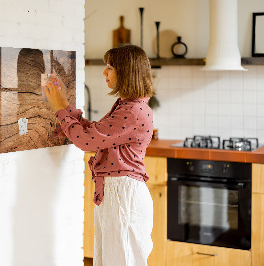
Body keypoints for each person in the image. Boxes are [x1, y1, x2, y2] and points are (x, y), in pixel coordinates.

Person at [43, 44, 155, 266]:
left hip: (123, 195)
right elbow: (94, 133)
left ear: (126, 72)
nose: (104, 72)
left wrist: (58, 108)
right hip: (118, 193)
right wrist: (65, 104)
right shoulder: (128, 106)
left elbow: (86, 141)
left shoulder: (132, 111)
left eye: (110, 67)